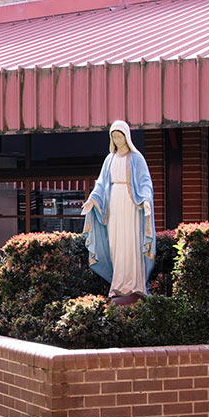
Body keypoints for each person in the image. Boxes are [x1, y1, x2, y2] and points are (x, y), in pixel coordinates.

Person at [81, 120, 155, 300]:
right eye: (114, 137)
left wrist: (146, 200)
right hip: (113, 204)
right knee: (115, 243)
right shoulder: (109, 159)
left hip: (132, 205)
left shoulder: (136, 158)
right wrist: (92, 200)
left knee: (131, 241)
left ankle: (136, 285)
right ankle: (118, 284)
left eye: (119, 136)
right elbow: (100, 184)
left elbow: (145, 181)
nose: (117, 140)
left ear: (126, 137)